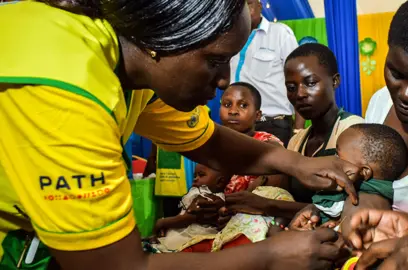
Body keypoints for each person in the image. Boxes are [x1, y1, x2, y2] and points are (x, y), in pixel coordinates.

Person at [0, 1, 361, 269]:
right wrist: (270, 256)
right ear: (166, 39)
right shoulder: (66, 92)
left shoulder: (130, 65)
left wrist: (297, 164)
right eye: (215, 60)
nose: (223, 81)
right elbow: (117, 266)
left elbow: (207, 141)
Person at [292, 0, 408, 268]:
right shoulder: (380, 102)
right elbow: (371, 183)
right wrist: (334, 215)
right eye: (396, 73)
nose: (405, 95)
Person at [226, 43, 363, 221]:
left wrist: (264, 205)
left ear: (335, 81)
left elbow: (349, 206)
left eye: (311, 83)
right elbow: (287, 196)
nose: (300, 94)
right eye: (291, 87)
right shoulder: (297, 141)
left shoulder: (353, 131)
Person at [291, 123, 408, 229]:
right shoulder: (355, 190)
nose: (332, 159)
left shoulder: (368, 206)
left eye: (338, 155)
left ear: (364, 172)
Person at [229, 0, 304, 146]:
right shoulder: (231, 38)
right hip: (236, 125)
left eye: (249, 4)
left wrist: (299, 130)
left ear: (260, 6)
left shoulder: (280, 34)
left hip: (272, 125)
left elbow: (298, 80)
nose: (243, 9)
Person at [220, 82, 288, 194]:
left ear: (258, 115)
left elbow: (272, 189)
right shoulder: (213, 144)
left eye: (243, 105)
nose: (233, 111)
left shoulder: (269, 145)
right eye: (227, 105)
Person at [149, 164, 229, 253]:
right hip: (191, 233)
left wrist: (162, 222)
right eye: (195, 176)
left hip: (194, 236)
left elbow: (186, 219)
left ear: (220, 182)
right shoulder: (211, 196)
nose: (195, 178)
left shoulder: (204, 196)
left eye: (201, 175)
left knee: (167, 244)